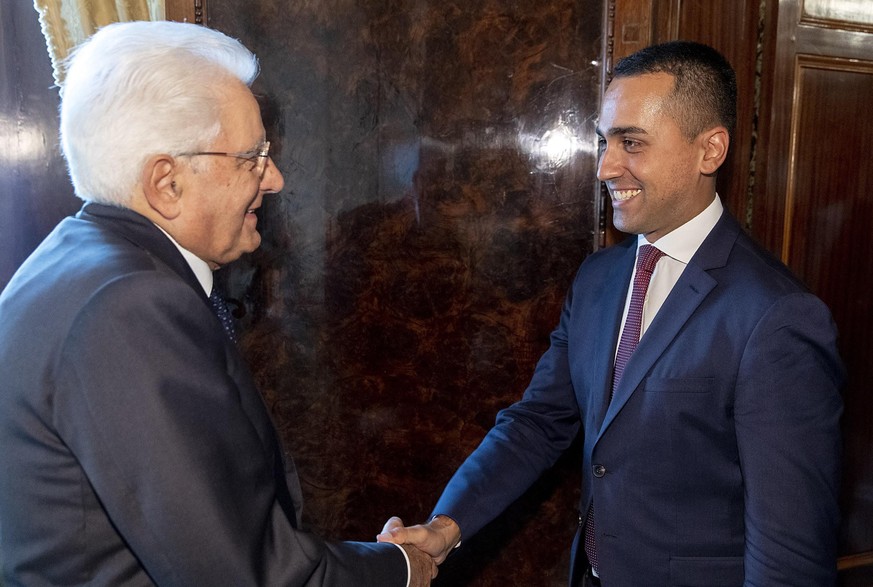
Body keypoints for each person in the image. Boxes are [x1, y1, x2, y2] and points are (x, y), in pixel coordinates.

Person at [378, 40, 844, 586]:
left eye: (632, 143)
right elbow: (537, 423)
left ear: (709, 150)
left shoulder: (778, 317)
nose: (605, 167)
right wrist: (446, 526)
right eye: (605, 142)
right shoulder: (598, 279)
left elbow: (789, 559)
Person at [0, 20, 435, 586]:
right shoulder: (131, 305)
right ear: (167, 183)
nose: (274, 179)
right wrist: (402, 569)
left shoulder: (69, 257)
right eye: (252, 158)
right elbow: (242, 575)